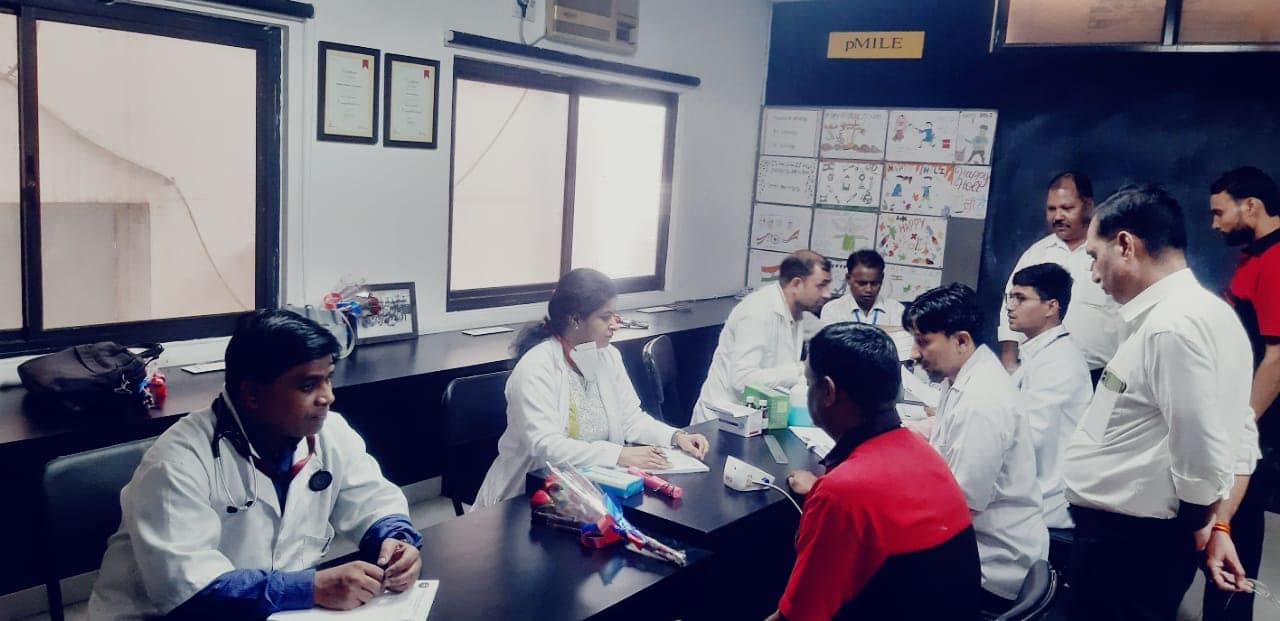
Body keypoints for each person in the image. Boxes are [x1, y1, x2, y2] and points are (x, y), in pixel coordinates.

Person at [89, 310, 423, 619]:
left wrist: (394, 539)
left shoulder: (329, 433)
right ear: (252, 395)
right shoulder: (176, 463)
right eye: (308, 385)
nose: (327, 397)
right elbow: (189, 590)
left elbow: (372, 500)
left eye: (328, 379)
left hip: (272, 612)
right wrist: (311, 588)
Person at [1063, 185, 1258, 621]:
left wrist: (1197, 522)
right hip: (1137, 541)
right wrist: (1217, 523)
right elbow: (1240, 435)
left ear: (1125, 245)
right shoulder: (1209, 314)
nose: (1093, 274)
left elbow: (1202, 453)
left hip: (1129, 548)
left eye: (1094, 256)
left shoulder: (1171, 328)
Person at [766, 323, 979, 621]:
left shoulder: (842, 494)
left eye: (809, 382)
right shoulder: (923, 454)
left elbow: (798, 617)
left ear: (827, 391)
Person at [474, 268, 709, 508]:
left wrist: (675, 437)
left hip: (592, 490)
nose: (615, 325)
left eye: (615, 315)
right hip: (528, 498)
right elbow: (546, 447)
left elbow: (630, 419)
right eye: (605, 317)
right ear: (575, 319)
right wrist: (618, 455)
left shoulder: (608, 356)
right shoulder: (536, 367)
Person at [907, 283, 1048, 612]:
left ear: (961, 341)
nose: (914, 353)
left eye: (923, 342)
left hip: (990, 567)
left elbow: (960, 507)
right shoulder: (962, 375)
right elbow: (944, 439)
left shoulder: (981, 401)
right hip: (980, 546)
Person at [1203, 166, 1280, 621]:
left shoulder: (1277, 260)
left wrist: (1241, 425)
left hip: (1255, 430)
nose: (1214, 224)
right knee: (1222, 530)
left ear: (1250, 206)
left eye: (1219, 213)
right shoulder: (1254, 255)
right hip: (1237, 420)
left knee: (1238, 536)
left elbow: (1277, 360)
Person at [1005, 262, 1092, 571]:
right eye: (1010, 297)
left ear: (1051, 307)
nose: (1010, 307)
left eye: (1021, 298)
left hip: (1046, 506)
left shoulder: (1059, 363)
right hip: (1034, 496)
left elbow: (1029, 438)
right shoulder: (1039, 353)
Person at [997, 172, 1121, 382]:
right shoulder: (1036, 255)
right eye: (1052, 209)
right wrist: (1009, 364)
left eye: (1067, 208)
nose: (1058, 217)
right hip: (1039, 372)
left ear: (1089, 206)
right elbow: (1009, 308)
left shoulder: (1111, 254)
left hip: (1100, 376)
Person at [693, 250, 832, 423]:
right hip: (721, 422)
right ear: (796, 284)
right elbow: (742, 381)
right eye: (821, 286)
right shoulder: (757, 312)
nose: (827, 294)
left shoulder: (797, 311)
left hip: (759, 417)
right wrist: (799, 369)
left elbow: (828, 337)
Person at [820, 249, 904, 329]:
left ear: (882, 278)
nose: (868, 289)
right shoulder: (832, 309)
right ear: (848, 278)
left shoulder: (896, 310)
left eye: (874, 283)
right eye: (862, 283)